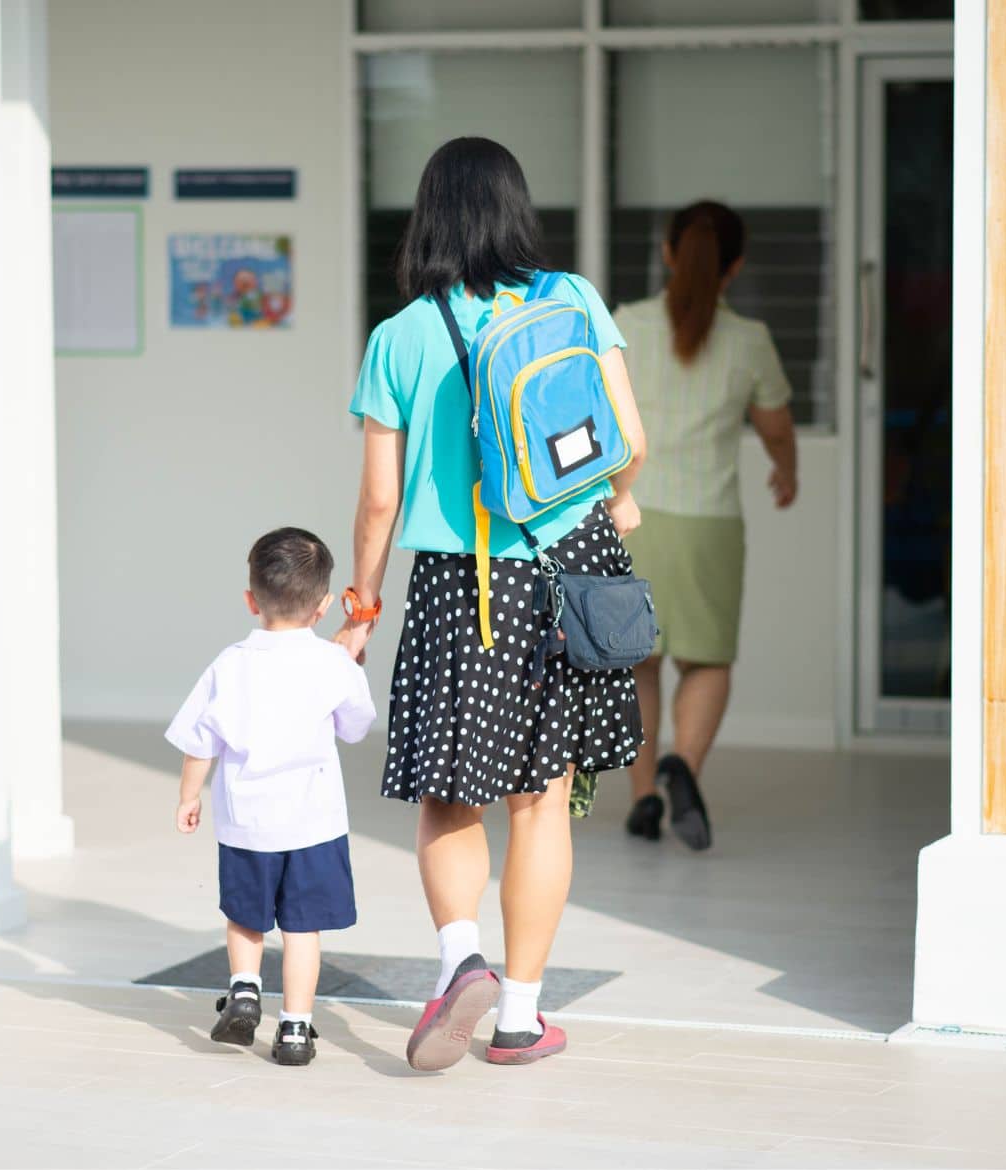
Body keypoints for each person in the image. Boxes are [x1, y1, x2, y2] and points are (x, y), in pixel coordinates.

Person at [334, 137, 647, 1070]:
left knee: (447, 795)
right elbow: (629, 438)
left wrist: (362, 602)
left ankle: (458, 956)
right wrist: (618, 500)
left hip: (457, 580)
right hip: (567, 568)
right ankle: (519, 1014)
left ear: (427, 215)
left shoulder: (400, 336)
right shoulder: (573, 300)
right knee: (542, 803)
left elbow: (381, 499)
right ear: (516, 208)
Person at [613, 200, 798, 851]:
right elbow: (775, 425)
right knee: (707, 658)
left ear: (667, 252)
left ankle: (642, 800)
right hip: (710, 522)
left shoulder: (625, 325)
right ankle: (681, 766)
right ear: (736, 266)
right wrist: (787, 470)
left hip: (630, 517)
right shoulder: (750, 340)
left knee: (640, 662)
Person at [167, 527, 376, 1067]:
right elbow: (356, 727)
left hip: (245, 823)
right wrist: (350, 660)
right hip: (313, 825)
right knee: (301, 929)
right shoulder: (332, 664)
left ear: (250, 600)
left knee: (245, 917)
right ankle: (296, 1030)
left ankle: (243, 989)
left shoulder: (230, 663)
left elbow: (200, 741)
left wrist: (190, 797)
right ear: (325, 604)